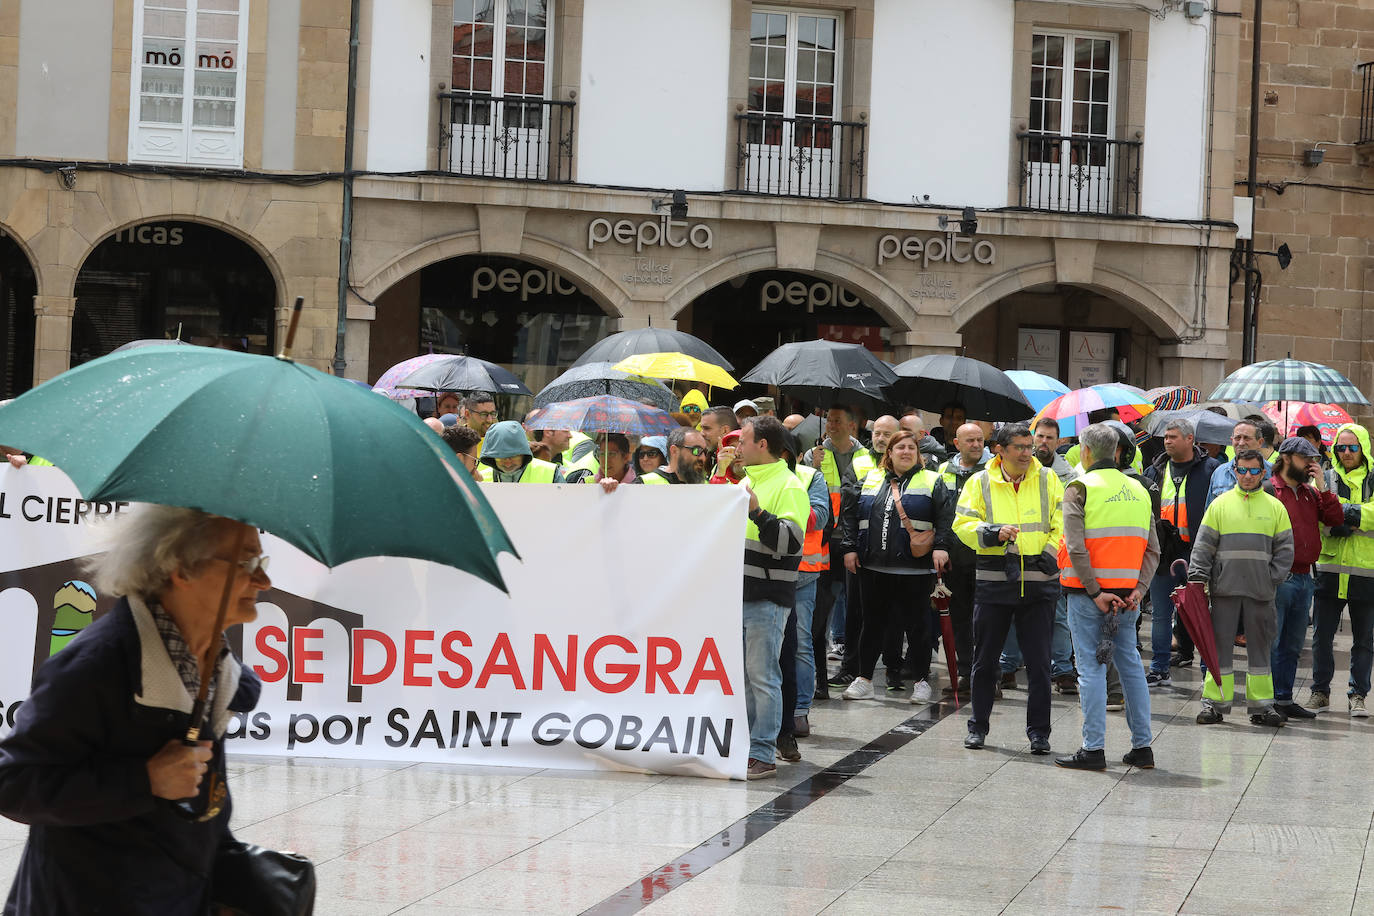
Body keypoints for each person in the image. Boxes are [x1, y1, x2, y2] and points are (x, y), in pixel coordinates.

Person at [0, 507, 267, 914]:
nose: (264, 580)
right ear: (182, 568)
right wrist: (144, 780)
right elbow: (13, 783)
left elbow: (200, 804)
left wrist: (230, 882)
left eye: (261, 562)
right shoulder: (96, 666)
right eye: (246, 562)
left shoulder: (218, 668)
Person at [1055, 424, 1160, 770]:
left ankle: (1093, 748)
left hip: (1088, 596)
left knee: (1090, 668)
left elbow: (1075, 546)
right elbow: (1152, 550)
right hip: (1128, 596)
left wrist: (1096, 591)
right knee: (1130, 666)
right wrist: (1139, 590)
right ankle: (1142, 746)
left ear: (1084, 452)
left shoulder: (1079, 488)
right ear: (1117, 452)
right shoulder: (1140, 489)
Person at [955, 422, 1064, 753]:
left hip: (1039, 584)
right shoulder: (980, 481)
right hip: (994, 584)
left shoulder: (1048, 478)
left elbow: (1063, 521)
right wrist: (991, 532)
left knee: (1039, 665)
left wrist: (1049, 553)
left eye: (1029, 447)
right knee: (985, 662)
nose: (1027, 453)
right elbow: (962, 524)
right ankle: (978, 727)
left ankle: (1039, 734)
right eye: (1019, 447)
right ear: (999, 450)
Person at [840, 431, 953, 703]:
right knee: (872, 624)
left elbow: (946, 517)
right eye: (899, 447)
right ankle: (864, 679)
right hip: (873, 566)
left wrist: (941, 546)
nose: (906, 452)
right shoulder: (871, 479)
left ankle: (922, 681)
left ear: (918, 453)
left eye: (911, 447)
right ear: (888, 453)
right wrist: (849, 548)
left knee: (918, 627)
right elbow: (851, 515)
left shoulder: (932, 480)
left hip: (915, 568)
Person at [1188, 449, 1294, 727]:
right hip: (1224, 590)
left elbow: (1285, 550)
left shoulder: (1275, 508)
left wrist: (1271, 578)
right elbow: (1203, 547)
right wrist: (1198, 578)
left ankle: (1261, 706)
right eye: (1242, 470)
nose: (1247, 476)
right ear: (1234, 470)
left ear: (1263, 473)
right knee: (1218, 650)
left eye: (1253, 471)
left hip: (1261, 591)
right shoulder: (1220, 505)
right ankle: (1214, 704)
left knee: (1261, 651)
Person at [736, 416, 809, 779]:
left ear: (762, 445)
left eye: (744, 440)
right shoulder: (746, 481)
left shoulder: (789, 485)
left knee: (762, 676)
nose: (738, 447)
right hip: (742, 594)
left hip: (768, 597)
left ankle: (763, 752)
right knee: (748, 677)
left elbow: (792, 543)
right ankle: (749, 747)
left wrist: (757, 511)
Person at [1265, 437, 1344, 719]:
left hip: (1305, 577)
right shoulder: (1270, 490)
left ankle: (1284, 698)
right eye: (1306, 459)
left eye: (1314, 459)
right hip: (1279, 577)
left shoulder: (1310, 493)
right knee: (1273, 643)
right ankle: (1269, 700)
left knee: (1293, 644)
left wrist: (1323, 487)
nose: (1312, 465)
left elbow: (1335, 519)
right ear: (1286, 457)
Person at [1142, 417, 1219, 681]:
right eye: (1165, 437)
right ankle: (1159, 667)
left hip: (1196, 552)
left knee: (1200, 614)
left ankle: (1206, 668)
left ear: (1190, 439)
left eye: (1173, 436)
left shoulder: (1210, 469)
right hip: (1163, 553)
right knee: (1161, 613)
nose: (1167, 441)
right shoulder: (1155, 470)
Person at [1306, 423, 1374, 716]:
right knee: (1322, 637)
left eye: (1352, 447)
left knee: (1364, 640)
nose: (1346, 452)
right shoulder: (1325, 478)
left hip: (1366, 572)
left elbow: (1331, 512)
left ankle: (1357, 694)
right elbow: (1314, 513)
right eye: (1341, 447)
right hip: (1329, 571)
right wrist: (1336, 519)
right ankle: (1320, 692)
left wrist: (1343, 512)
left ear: (1364, 449)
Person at [811, 406, 876, 689]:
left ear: (853, 425)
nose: (831, 425)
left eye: (838, 421)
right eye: (829, 420)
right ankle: (820, 678)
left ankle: (853, 668)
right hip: (824, 542)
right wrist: (811, 466)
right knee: (820, 610)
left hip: (855, 542)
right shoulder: (813, 455)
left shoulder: (868, 457)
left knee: (856, 609)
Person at [936, 422, 988, 695]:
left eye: (980, 439)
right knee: (961, 618)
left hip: (987, 556)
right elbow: (941, 512)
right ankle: (967, 671)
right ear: (957, 443)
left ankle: (990, 674)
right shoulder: (944, 470)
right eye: (970, 440)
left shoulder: (994, 469)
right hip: (956, 558)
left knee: (988, 619)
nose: (976, 445)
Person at [784, 430, 829, 740]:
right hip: (762, 571)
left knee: (800, 642)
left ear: (796, 455)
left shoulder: (810, 476)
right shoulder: (750, 473)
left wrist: (781, 507)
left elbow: (821, 516)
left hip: (802, 572)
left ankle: (800, 711)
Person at [1206, 420, 1270, 506]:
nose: (1241, 443)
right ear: (1231, 440)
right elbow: (1210, 510)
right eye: (1237, 438)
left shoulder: (1273, 472)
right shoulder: (1220, 473)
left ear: (1260, 442)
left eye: (1247, 438)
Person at [480, 421, 566, 483]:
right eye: (501, 458)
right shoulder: (481, 479)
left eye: (513, 456)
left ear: (523, 453)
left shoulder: (550, 473)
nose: (508, 463)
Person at [635, 427, 707, 484]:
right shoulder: (644, 484)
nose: (703, 458)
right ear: (674, 451)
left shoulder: (706, 485)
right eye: (696, 450)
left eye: (705, 452)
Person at [1032, 417, 1076, 484]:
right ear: (1033, 438)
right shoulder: (1018, 468)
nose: (1044, 441)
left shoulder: (1069, 475)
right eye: (1040, 436)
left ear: (1057, 442)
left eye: (1049, 438)